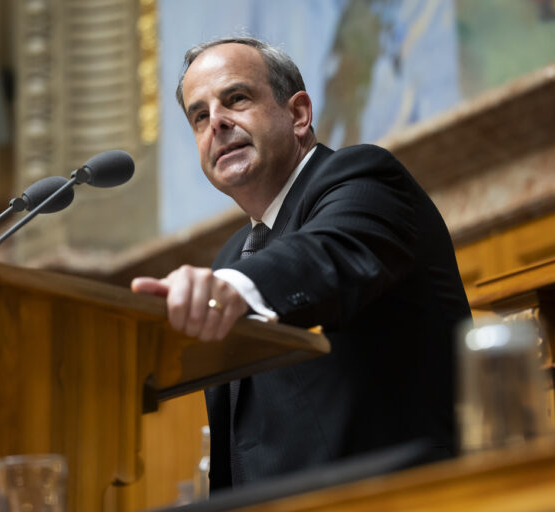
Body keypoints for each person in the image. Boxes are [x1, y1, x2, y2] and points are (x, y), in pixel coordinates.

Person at [131, 37, 471, 491]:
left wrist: (235, 288)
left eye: (236, 99)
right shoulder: (231, 257)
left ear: (298, 114)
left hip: (399, 496)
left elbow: (324, 255)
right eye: (199, 115)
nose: (216, 123)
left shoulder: (364, 178)